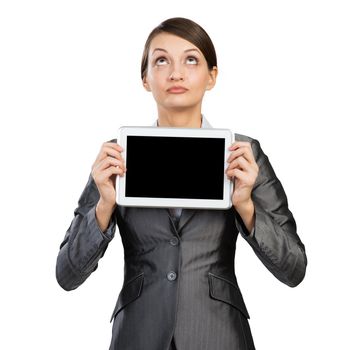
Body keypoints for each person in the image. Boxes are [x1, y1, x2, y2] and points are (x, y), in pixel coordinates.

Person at [56, 17, 308, 350]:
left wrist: (246, 207)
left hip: (218, 334)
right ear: (145, 78)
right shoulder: (117, 158)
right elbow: (66, 274)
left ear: (212, 76)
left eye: (191, 59)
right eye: (161, 60)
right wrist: (104, 206)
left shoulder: (243, 155)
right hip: (138, 335)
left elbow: (294, 269)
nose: (176, 73)